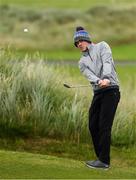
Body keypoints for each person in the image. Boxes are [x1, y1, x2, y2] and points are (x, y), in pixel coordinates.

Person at [73, 26, 120, 169]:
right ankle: (100, 158)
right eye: (76, 43)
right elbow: (89, 75)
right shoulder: (81, 62)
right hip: (98, 92)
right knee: (93, 125)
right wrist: (99, 81)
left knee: (104, 126)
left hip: (111, 91)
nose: (79, 44)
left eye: (80, 41)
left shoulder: (102, 46)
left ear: (87, 39)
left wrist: (106, 78)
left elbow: (107, 63)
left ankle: (104, 161)